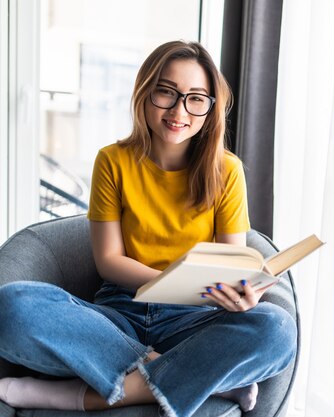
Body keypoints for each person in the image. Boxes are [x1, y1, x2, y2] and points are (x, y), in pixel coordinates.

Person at [0, 40, 296, 417]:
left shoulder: (227, 170)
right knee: (12, 305)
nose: (179, 110)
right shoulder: (113, 160)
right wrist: (171, 280)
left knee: (277, 329)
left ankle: (81, 395)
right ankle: (202, 375)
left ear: (210, 109)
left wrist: (241, 294)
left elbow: (231, 264)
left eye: (196, 98)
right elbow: (109, 261)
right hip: (118, 313)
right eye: (167, 93)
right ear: (146, 92)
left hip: (195, 319)